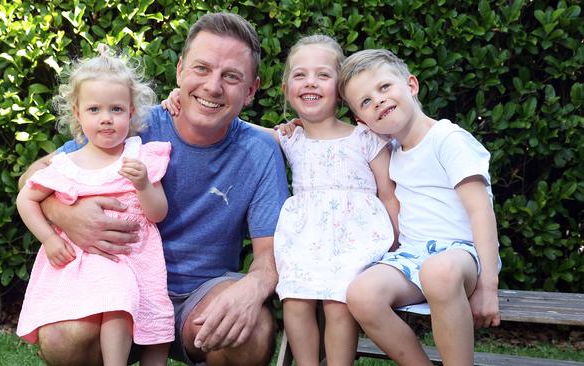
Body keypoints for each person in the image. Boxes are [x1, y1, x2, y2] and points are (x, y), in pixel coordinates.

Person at [18, 13, 289, 366]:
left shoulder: (259, 150)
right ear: (180, 71)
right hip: (120, 288)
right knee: (62, 337)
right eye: (202, 69)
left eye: (231, 77)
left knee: (251, 334)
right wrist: (64, 215)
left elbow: (271, 254)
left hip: (201, 294)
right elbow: (32, 179)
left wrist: (252, 290)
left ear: (251, 90)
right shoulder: (134, 124)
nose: (213, 86)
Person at [163, 35, 399, 366]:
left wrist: (396, 241)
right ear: (287, 88)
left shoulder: (365, 137)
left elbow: (389, 193)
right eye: (300, 75)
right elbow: (234, 124)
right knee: (295, 303)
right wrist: (185, 98)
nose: (310, 82)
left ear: (342, 88)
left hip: (353, 241)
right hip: (308, 242)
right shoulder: (291, 138)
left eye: (323, 75)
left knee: (337, 305)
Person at [339, 49, 501, 366]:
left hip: (461, 255)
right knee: (361, 294)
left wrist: (488, 288)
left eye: (384, 87)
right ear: (363, 122)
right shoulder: (392, 152)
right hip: (414, 255)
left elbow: (481, 211)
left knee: (438, 270)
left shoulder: (448, 139)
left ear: (411, 85)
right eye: (366, 101)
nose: (379, 101)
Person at [16, 45, 173, 366]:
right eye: (94, 110)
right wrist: (49, 237)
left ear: (131, 112)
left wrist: (143, 184)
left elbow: (158, 213)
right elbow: (25, 198)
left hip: (136, 256)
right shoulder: (66, 163)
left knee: (150, 323)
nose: (106, 119)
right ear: (77, 112)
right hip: (83, 263)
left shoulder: (139, 157)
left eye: (116, 109)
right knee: (113, 296)